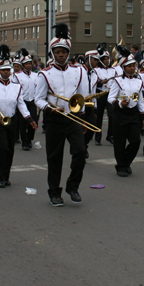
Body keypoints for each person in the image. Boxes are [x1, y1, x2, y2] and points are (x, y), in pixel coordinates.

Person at [34, 24, 90, 206]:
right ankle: (54, 192)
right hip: (54, 119)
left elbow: (83, 98)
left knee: (81, 152)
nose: (61, 55)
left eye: (63, 52)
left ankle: (73, 187)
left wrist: (83, 119)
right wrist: (49, 108)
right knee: (55, 158)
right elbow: (38, 99)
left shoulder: (80, 71)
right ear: (52, 53)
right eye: (57, 52)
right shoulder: (44, 74)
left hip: (73, 118)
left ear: (68, 53)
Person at [0, 45, 36, 187]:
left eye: (8, 70)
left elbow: (21, 104)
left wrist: (29, 118)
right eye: (3, 70)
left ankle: (6, 176)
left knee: (10, 150)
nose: (6, 72)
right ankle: (0, 176)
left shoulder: (16, 86)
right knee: (2, 149)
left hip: (12, 121)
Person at [108, 47, 144, 176]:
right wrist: (120, 103)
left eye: (133, 66)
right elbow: (110, 98)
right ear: (123, 67)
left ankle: (126, 162)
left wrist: (143, 116)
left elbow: (140, 100)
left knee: (135, 141)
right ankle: (120, 166)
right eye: (129, 66)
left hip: (133, 114)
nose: (132, 68)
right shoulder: (117, 80)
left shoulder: (139, 81)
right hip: (120, 114)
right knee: (119, 142)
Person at [12, 48, 39, 151]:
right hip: (22, 102)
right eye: (26, 64)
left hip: (32, 101)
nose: (28, 65)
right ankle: (24, 142)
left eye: (30, 63)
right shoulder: (17, 76)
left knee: (34, 120)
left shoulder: (36, 75)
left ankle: (29, 138)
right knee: (22, 123)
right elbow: (15, 89)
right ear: (23, 65)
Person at [93, 43, 114, 146]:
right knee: (99, 116)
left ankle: (110, 135)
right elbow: (93, 82)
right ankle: (98, 137)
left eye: (108, 59)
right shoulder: (96, 70)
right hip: (100, 94)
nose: (107, 60)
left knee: (112, 115)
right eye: (104, 59)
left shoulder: (113, 70)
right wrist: (100, 82)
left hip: (110, 94)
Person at [82, 48, 101, 157]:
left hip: (90, 105)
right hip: (80, 105)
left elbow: (93, 92)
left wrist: (95, 109)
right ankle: (81, 148)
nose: (96, 62)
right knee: (81, 128)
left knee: (93, 127)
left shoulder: (94, 74)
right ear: (88, 59)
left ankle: (84, 144)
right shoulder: (79, 71)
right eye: (94, 60)